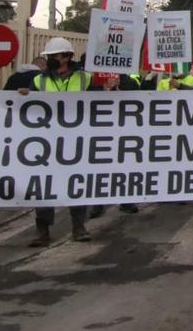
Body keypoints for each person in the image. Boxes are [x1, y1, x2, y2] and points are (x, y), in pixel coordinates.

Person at [18, 37, 94, 246]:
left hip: (76, 140)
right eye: (49, 56)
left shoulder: (85, 79)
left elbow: (98, 104)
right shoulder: (37, 80)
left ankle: (79, 227)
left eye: (55, 56)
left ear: (67, 57)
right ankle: (42, 231)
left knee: (76, 185)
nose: (51, 59)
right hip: (47, 143)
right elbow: (26, 107)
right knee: (44, 188)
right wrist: (23, 96)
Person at [87, 72, 141, 219]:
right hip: (100, 131)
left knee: (124, 168)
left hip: (123, 131)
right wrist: (105, 90)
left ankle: (126, 201)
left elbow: (139, 100)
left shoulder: (129, 82)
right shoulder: (94, 81)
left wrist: (117, 90)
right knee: (100, 168)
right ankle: (98, 203)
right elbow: (86, 100)